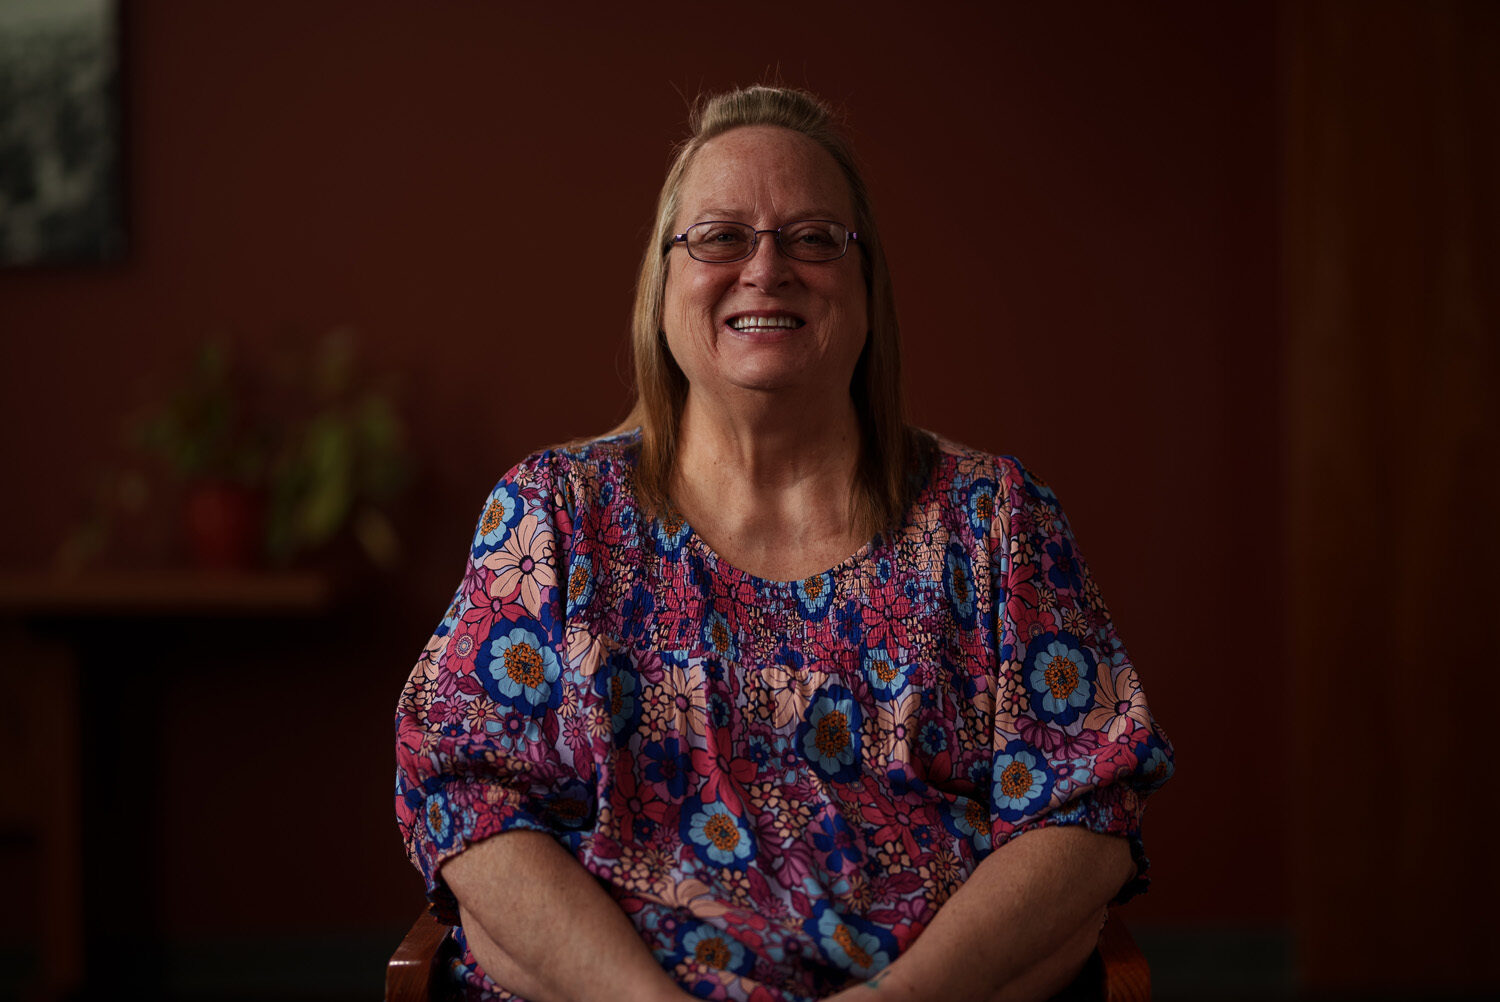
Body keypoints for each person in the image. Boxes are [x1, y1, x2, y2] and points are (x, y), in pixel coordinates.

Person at [395, 85, 1173, 1002]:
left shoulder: (995, 522)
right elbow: (465, 797)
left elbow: (1084, 814)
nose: (766, 269)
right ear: (662, 283)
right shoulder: (553, 519)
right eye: (721, 236)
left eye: (812, 238)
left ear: (867, 284)